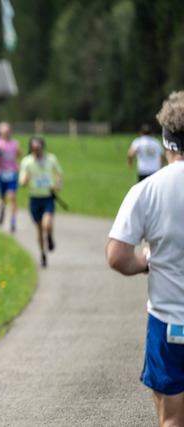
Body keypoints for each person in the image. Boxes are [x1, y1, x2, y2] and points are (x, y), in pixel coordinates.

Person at [106, 91, 184, 427]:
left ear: (165, 142)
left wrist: (144, 262)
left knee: (172, 420)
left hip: (170, 325)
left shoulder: (146, 190)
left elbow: (117, 256)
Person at [19, 136, 63, 267]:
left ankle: (49, 237)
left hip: (48, 197)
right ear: (30, 149)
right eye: (34, 148)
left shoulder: (51, 159)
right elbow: (21, 182)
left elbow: (58, 172)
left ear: (43, 147)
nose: (37, 151)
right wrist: (25, 179)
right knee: (39, 228)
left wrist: (58, 183)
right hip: (34, 198)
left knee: (46, 223)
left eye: (39, 148)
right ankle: (43, 254)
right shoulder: (27, 162)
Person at [0, 121, 21, 232]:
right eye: (4, 131)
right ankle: (1, 213)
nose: (6, 133)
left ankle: (12, 221)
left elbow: (19, 155)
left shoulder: (14, 143)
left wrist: (18, 153)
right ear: (0, 131)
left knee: (12, 197)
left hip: (12, 173)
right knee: (2, 198)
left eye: (8, 131)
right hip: (0, 173)